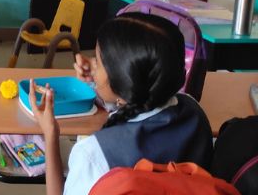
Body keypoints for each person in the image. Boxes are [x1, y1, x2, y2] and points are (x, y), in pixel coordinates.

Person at [30, 13, 214, 195]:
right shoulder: (195, 111)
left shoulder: (93, 154)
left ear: (123, 84)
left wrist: (50, 133)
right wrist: (101, 82)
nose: (92, 65)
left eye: (98, 62)